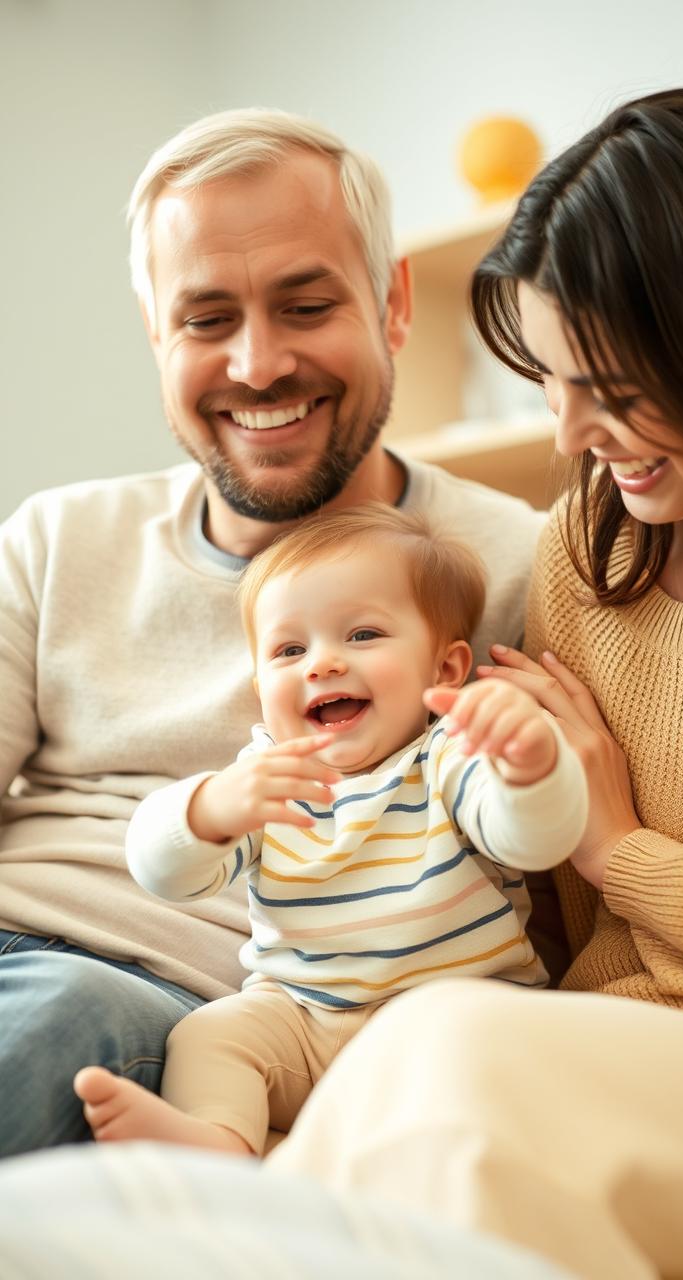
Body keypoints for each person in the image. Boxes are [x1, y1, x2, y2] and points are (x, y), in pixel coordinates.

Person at [256, 89, 683, 1279]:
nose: (569, 433)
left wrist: (620, 848)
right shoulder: (590, 544)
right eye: (548, 383)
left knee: (463, 1069)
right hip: (605, 1037)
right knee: (404, 1077)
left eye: (610, 386)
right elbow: (542, 909)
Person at [0, 108, 546, 1157]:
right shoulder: (56, 539)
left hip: (155, 1000)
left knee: (46, 1023)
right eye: (206, 319)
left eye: (304, 303)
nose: (257, 364)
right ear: (156, 329)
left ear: (392, 303)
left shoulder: (515, 563)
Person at [73, 504, 587, 1155]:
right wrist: (204, 813)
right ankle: (221, 1141)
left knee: (511, 1061)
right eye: (290, 650)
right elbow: (166, 875)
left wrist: (531, 768)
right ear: (259, 684)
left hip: (451, 1021)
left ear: (446, 669)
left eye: (363, 635)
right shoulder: (266, 778)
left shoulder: (446, 759)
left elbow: (534, 841)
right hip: (307, 1029)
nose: (321, 664)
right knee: (210, 1035)